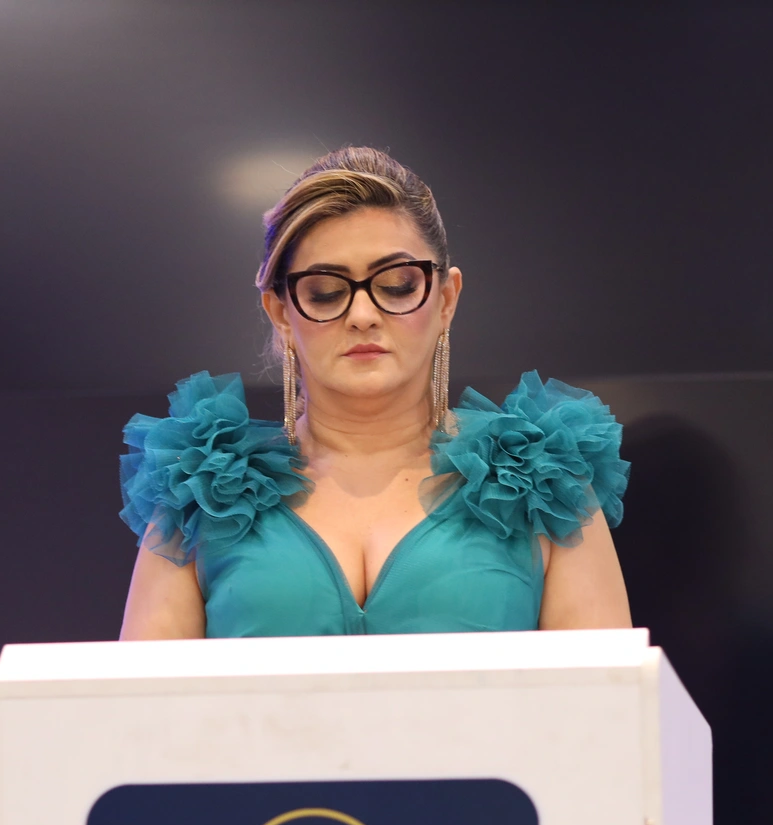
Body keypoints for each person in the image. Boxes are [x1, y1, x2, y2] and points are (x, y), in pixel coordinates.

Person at [118, 147, 631, 639]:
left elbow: (609, 695)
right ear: (281, 313)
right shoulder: (201, 495)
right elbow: (137, 696)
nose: (362, 315)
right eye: (325, 292)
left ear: (446, 298)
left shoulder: (544, 483)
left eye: (398, 284)